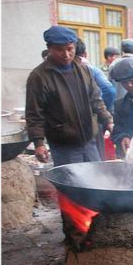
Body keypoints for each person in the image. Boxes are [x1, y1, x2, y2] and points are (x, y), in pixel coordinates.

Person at [26, 26, 113, 166]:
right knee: (73, 183)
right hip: (64, 145)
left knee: (97, 178)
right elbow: (34, 113)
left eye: (70, 49)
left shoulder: (83, 70)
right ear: (49, 48)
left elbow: (96, 100)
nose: (66, 54)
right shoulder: (39, 77)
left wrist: (107, 120)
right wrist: (38, 142)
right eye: (60, 50)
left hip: (89, 139)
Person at [75, 38, 116, 160]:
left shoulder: (88, 70)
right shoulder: (92, 69)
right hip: (93, 121)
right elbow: (109, 90)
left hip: (70, 129)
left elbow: (109, 90)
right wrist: (100, 111)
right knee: (95, 160)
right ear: (85, 54)